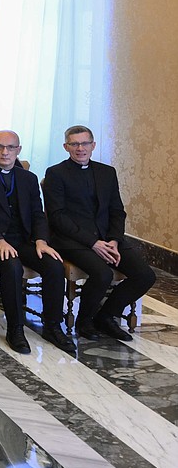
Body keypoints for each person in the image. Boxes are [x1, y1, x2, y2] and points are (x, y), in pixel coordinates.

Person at [0, 131, 76, 355]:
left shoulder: (28, 178)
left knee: (54, 265)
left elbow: (37, 213)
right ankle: (15, 329)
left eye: (10, 147)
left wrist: (41, 241)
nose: (5, 152)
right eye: (0, 147)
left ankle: (53, 326)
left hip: (23, 239)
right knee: (12, 265)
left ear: (19, 149)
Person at [43, 125, 156, 341]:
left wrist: (113, 240)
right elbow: (58, 217)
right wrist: (93, 242)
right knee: (102, 273)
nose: (80, 148)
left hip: (107, 238)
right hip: (73, 240)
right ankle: (84, 322)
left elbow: (116, 211)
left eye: (85, 143)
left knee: (145, 275)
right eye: (74, 144)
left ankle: (105, 316)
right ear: (66, 147)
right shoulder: (55, 173)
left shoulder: (107, 172)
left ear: (93, 145)